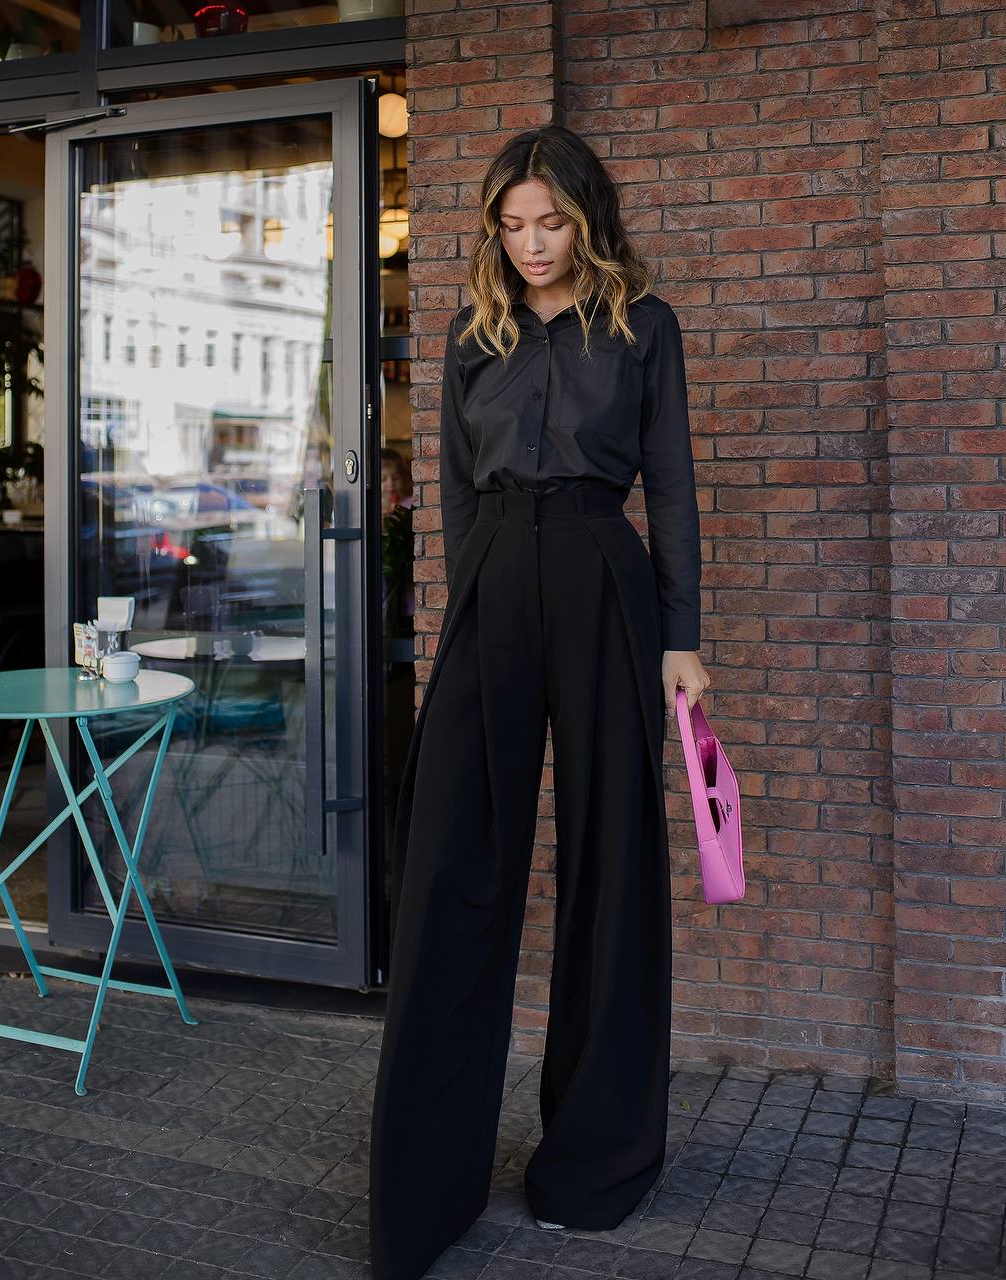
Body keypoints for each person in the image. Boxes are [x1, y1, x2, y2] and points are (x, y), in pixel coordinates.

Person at [368, 123, 710, 1280]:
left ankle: (595, 1162)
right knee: (456, 865)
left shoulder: (643, 326)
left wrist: (683, 639)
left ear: (587, 218)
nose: (530, 244)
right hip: (495, 589)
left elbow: (670, 486)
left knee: (611, 866)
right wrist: (461, 624)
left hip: (604, 580)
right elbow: (459, 499)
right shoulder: (472, 330)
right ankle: (428, 1181)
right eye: (511, 226)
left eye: (550, 222)